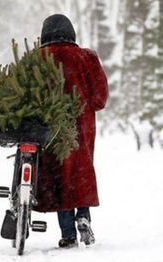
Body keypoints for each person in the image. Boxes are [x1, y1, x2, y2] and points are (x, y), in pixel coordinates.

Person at [34, 14, 109, 248]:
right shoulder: (87, 57)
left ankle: (68, 234)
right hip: (81, 126)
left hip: (49, 127)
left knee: (58, 176)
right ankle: (83, 217)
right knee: (80, 172)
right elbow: (100, 99)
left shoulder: (37, 59)